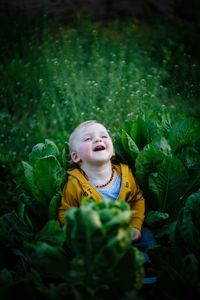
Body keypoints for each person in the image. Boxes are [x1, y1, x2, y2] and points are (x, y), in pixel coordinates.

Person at [58, 120, 157, 284]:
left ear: (112, 152)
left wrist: (135, 225)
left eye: (104, 136)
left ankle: (145, 267)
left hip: (124, 228)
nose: (98, 140)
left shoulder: (125, 174)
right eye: (88, 139)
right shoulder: (75, 184)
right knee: (80, 251)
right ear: (76, 157)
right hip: (95, 236)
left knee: (147, 236)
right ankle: (97, 275)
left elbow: (137, 199)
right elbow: (65, 212)